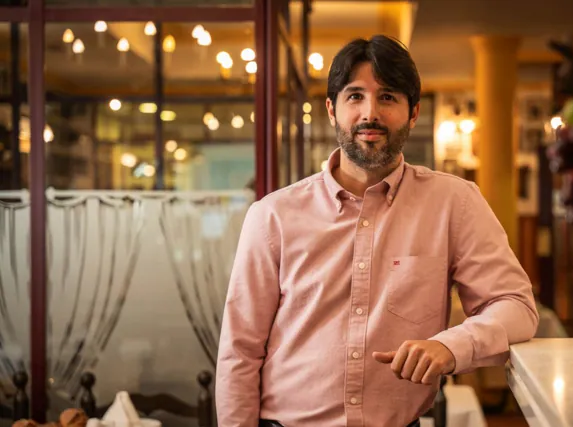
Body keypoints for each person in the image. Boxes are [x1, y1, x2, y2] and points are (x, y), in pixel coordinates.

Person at [215, 34, 539, 427]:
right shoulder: (273, 215)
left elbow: (516, 307)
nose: (370, 113)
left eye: (388, 97)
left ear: (413, 112)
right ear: (332, 110)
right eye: (355, 96)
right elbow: (240, 350)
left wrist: (450, 345)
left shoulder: (455, 203)